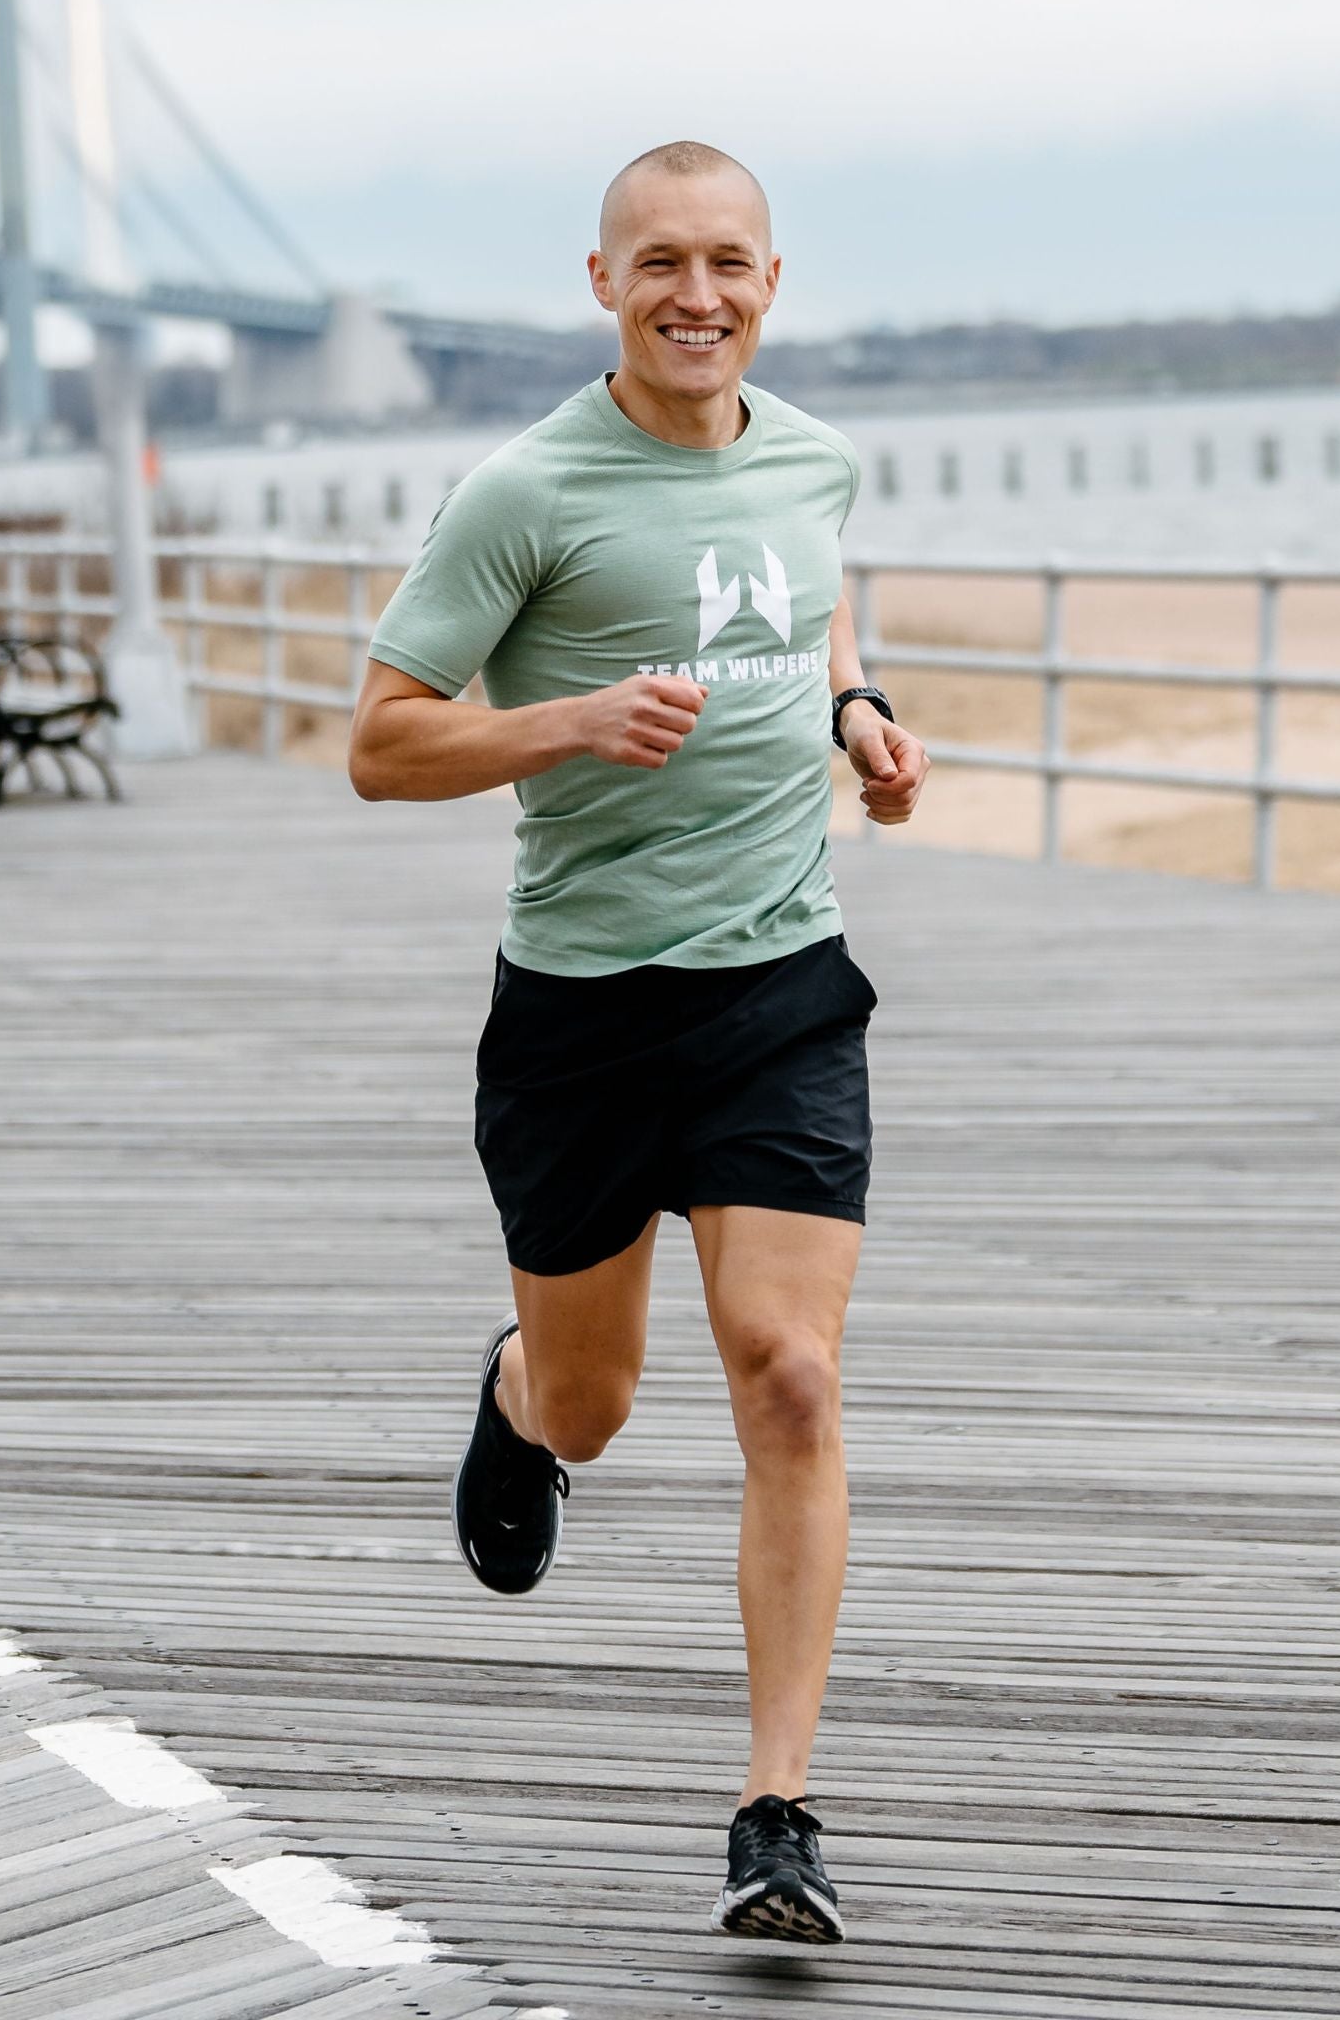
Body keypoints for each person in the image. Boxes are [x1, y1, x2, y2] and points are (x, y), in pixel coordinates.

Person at [347, 139, 929, 1945]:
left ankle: (777, 1813)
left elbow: (806, 587)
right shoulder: (525, 493)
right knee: (599, 1408)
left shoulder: (814, 452)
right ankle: (519, 1389)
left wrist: (856, 709)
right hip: (586, 1022)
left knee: (793, 1378)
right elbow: (380, 740)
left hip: (781, 992)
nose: (699, 294)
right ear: (602, 281)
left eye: (730, 263)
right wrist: (573, 721)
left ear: (774, 278)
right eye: (660, 262)